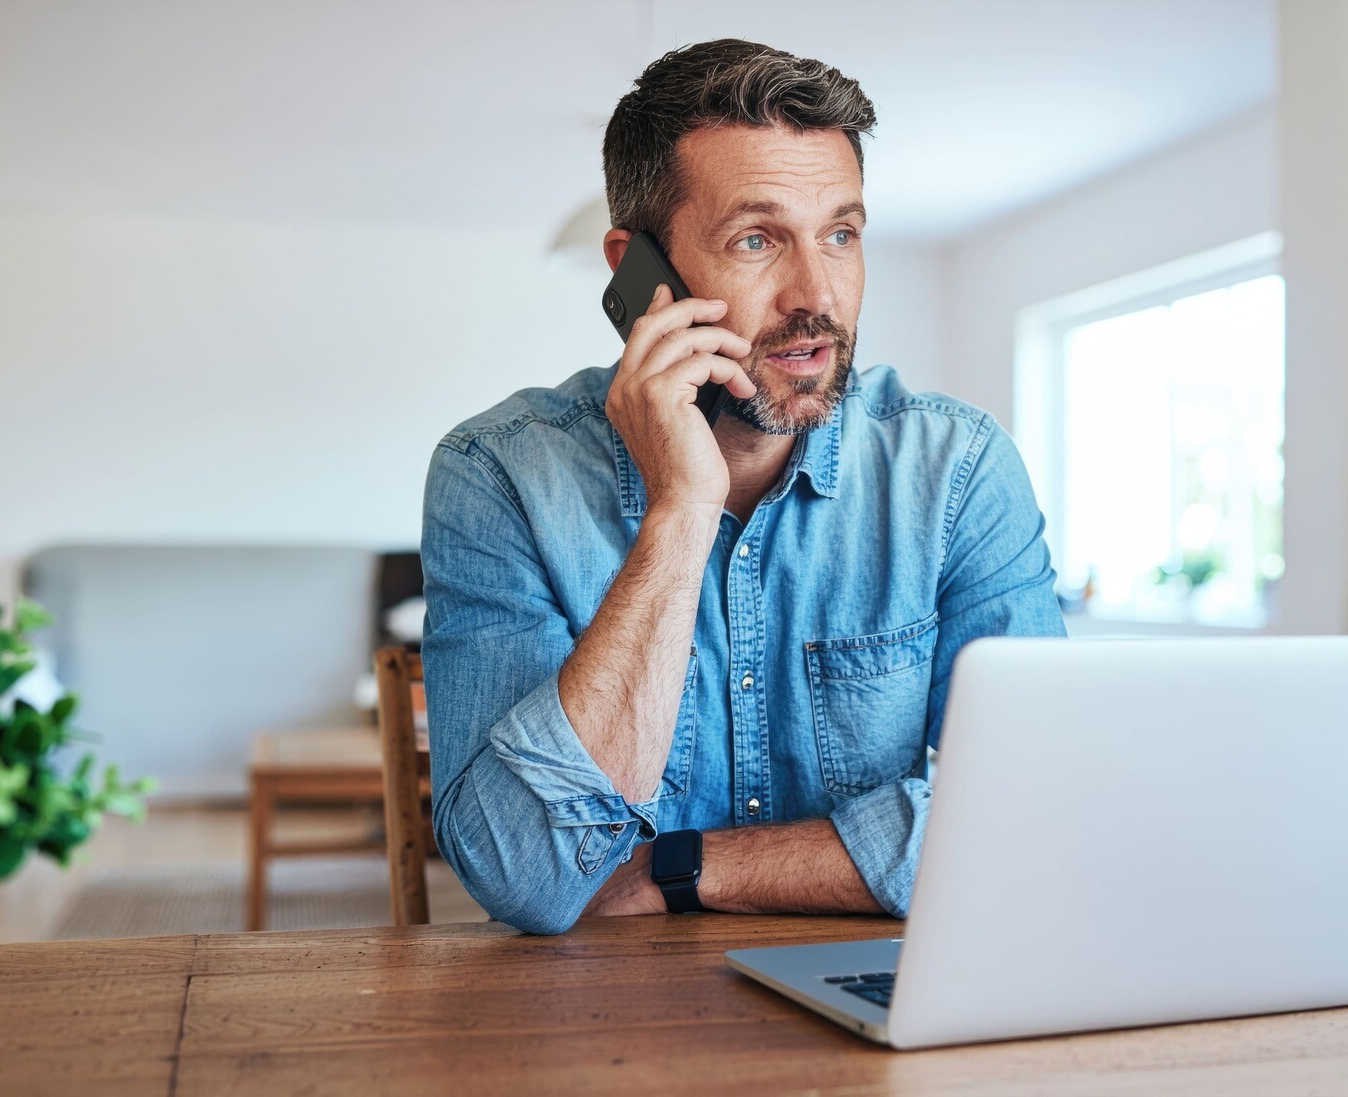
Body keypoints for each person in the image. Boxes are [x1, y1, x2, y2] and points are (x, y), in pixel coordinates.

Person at [421, 38, 1064, 935]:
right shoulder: (501, 473)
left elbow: (1035, 822)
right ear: (637, 273)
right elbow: (526, 873)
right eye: (757, 238)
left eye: (841, 233)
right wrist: (681, 510)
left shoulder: (956, 470)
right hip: (602, 1026)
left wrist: (683, 871)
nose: (817, 295)